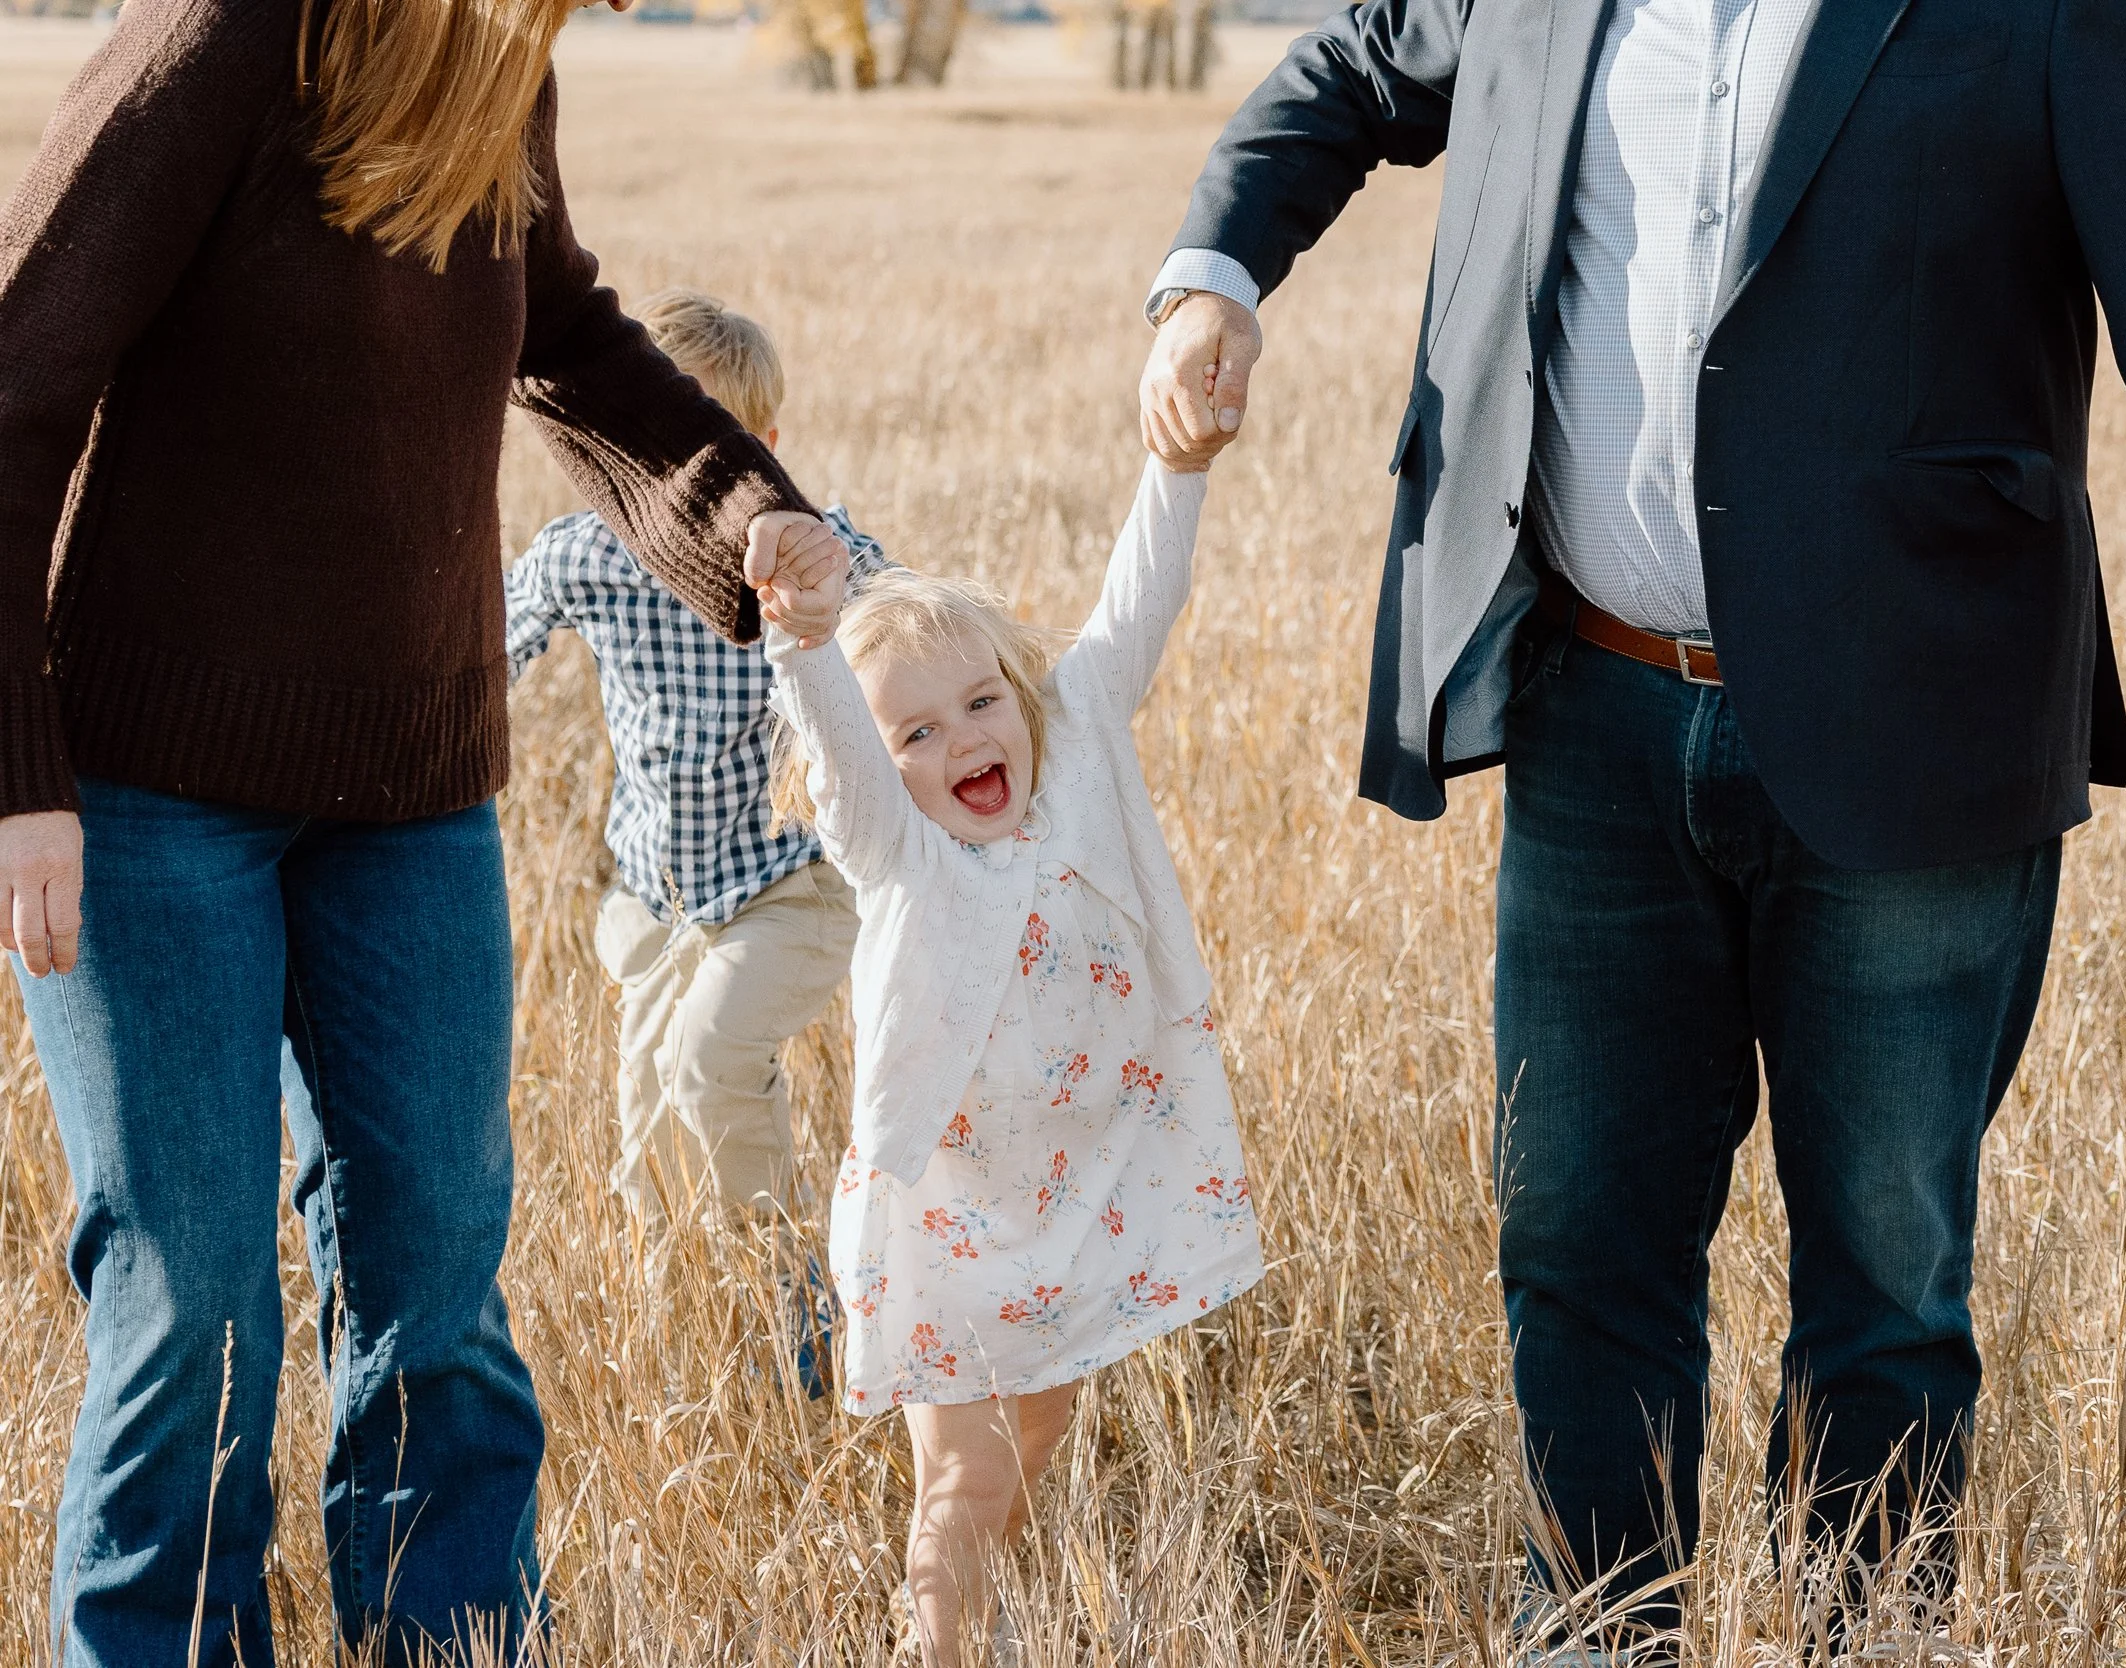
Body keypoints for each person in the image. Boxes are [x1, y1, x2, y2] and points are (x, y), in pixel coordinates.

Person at [1137, 0, 2126, 1647]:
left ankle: (1862, 1635)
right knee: (1576, 1241)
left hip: (1923, 715)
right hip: (1593, 714)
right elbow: (1353, 67)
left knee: (1888, 1286)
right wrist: (1212, 278)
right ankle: (1600, 1635)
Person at [0, 0, 855, 1661]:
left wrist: (751, 513)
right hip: (150, 797)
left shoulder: (492, 56)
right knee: (199, 1323)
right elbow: (15, 377)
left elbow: (573, 338)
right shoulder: (229, 36)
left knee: (441, 1302)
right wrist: (18, 768)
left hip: (411, 802)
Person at [769, 459, 1264, 1667]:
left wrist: (1175, 466)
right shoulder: (901, 852)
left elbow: (1140, 597)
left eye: (983, 703)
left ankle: (968, 1618)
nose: (967, 740)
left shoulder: (1077, 739)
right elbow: (839, 752)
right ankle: (932, 1640)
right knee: (966, 1481)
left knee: (1038, 1423)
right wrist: (805, 645)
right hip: (956, 1217)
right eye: (920, 734)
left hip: (1078, 1190)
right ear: (886, 770)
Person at [506, 290, 882, 1244]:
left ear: (764, 451)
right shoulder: (580, 557)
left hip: (790, 881)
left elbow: (921, 639)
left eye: (717, 456)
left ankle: (786, 1296)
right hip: (657, 893)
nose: (683, 487)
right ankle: (675, 1303)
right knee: (647, 1130)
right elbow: (479, 657)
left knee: (710, 1062)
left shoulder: (817, 558)